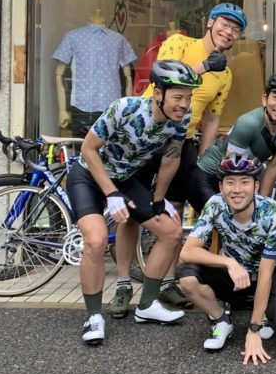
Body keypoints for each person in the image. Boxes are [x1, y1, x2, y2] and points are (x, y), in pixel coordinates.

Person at [110, 2, 248, 316]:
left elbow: (212, 119)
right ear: (211, 23)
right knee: (132, 212)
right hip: (145, 135)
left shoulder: (224, 74)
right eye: (224, 24)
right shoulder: (179, 44)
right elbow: (166, 79)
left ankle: (170, 283)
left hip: (182, 142)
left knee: (175, 212)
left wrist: (201, 160)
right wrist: (204, 67)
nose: (229, 32)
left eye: (235, 29)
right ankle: (121, 284)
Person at [67, 60, 201, 345]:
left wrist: (159, 199)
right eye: (178, 97)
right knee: (96, 240)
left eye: (188, 98)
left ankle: (148, 305)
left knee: (171, 232)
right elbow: (88, 150)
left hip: (126, 180)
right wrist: (111, 193)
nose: (184, 104)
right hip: (89, 175)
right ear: (158, 94)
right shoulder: (124, 109)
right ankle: (93, 316)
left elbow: (170, 157)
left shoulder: (181, 120)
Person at [178, 151, 276, 363]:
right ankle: (220, 319)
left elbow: (266, 272)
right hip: (234, 275)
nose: (237, 189)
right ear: (221, 187)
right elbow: (187, 252)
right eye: (230, 182)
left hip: (267, 272)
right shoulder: (215, 204)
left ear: (256, 187)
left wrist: (253, 329)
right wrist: (228, 262)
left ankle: (262, 315)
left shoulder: (274, 213)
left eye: (244, 182)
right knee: (187, 278)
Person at [191, 71, 276, 211]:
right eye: (275, 97)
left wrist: (261, 202)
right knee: (229, 223)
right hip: (209, 177)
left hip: (237, 178)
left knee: (245, 221)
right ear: (265, 99)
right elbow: (232, 167)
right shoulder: (248, 123)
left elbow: (274, 165)